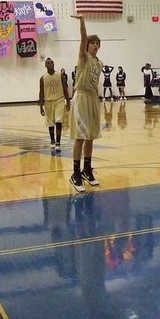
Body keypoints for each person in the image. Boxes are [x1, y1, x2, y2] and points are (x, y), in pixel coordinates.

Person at [69, 14, 103, 193]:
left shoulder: (99, 63)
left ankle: (86, 170)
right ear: (87, 45)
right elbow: (83, 37)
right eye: (92, 43)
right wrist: (82, 21)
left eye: (97, 43)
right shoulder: (84, 58)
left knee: (91, 136)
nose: (95, 46)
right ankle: (75, 173)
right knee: (80, 136)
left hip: (93, 98)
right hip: (81, 97)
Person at [39, 57, 71, 153]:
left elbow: (65, 88)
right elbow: (41, 92)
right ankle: (52, 140)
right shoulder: (43, 78)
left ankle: (58, 142)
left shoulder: (59, 75)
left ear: (54, 64)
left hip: (59, 100)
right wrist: (41, 106)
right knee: (51, 123)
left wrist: (68, 101)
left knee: (58, 121)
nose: (50, 64)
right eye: (48, 63)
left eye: (52, 62)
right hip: (48, 101)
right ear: (45, 65)